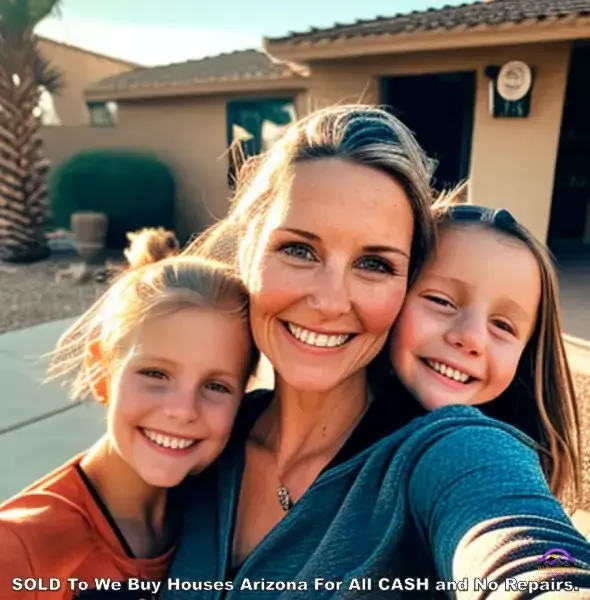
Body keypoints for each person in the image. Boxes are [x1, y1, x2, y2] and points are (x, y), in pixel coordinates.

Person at [160, 104, 590, 599]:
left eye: (374, 263)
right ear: (248, 250)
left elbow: (534, 560)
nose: (328, 302)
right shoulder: (204, 429)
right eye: (299, 250)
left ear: (404, 287)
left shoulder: (449, 452)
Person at [0, 230, 259, 599]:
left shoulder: (227, 508)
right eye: (155, 375)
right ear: (101, 372)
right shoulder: (19, 551)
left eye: (216, 386)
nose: (182, 411)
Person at [390, 199, 581, 503]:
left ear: (527, 356)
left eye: (503, 326)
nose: (471, 338)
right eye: (441, 301)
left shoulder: (490, 456)